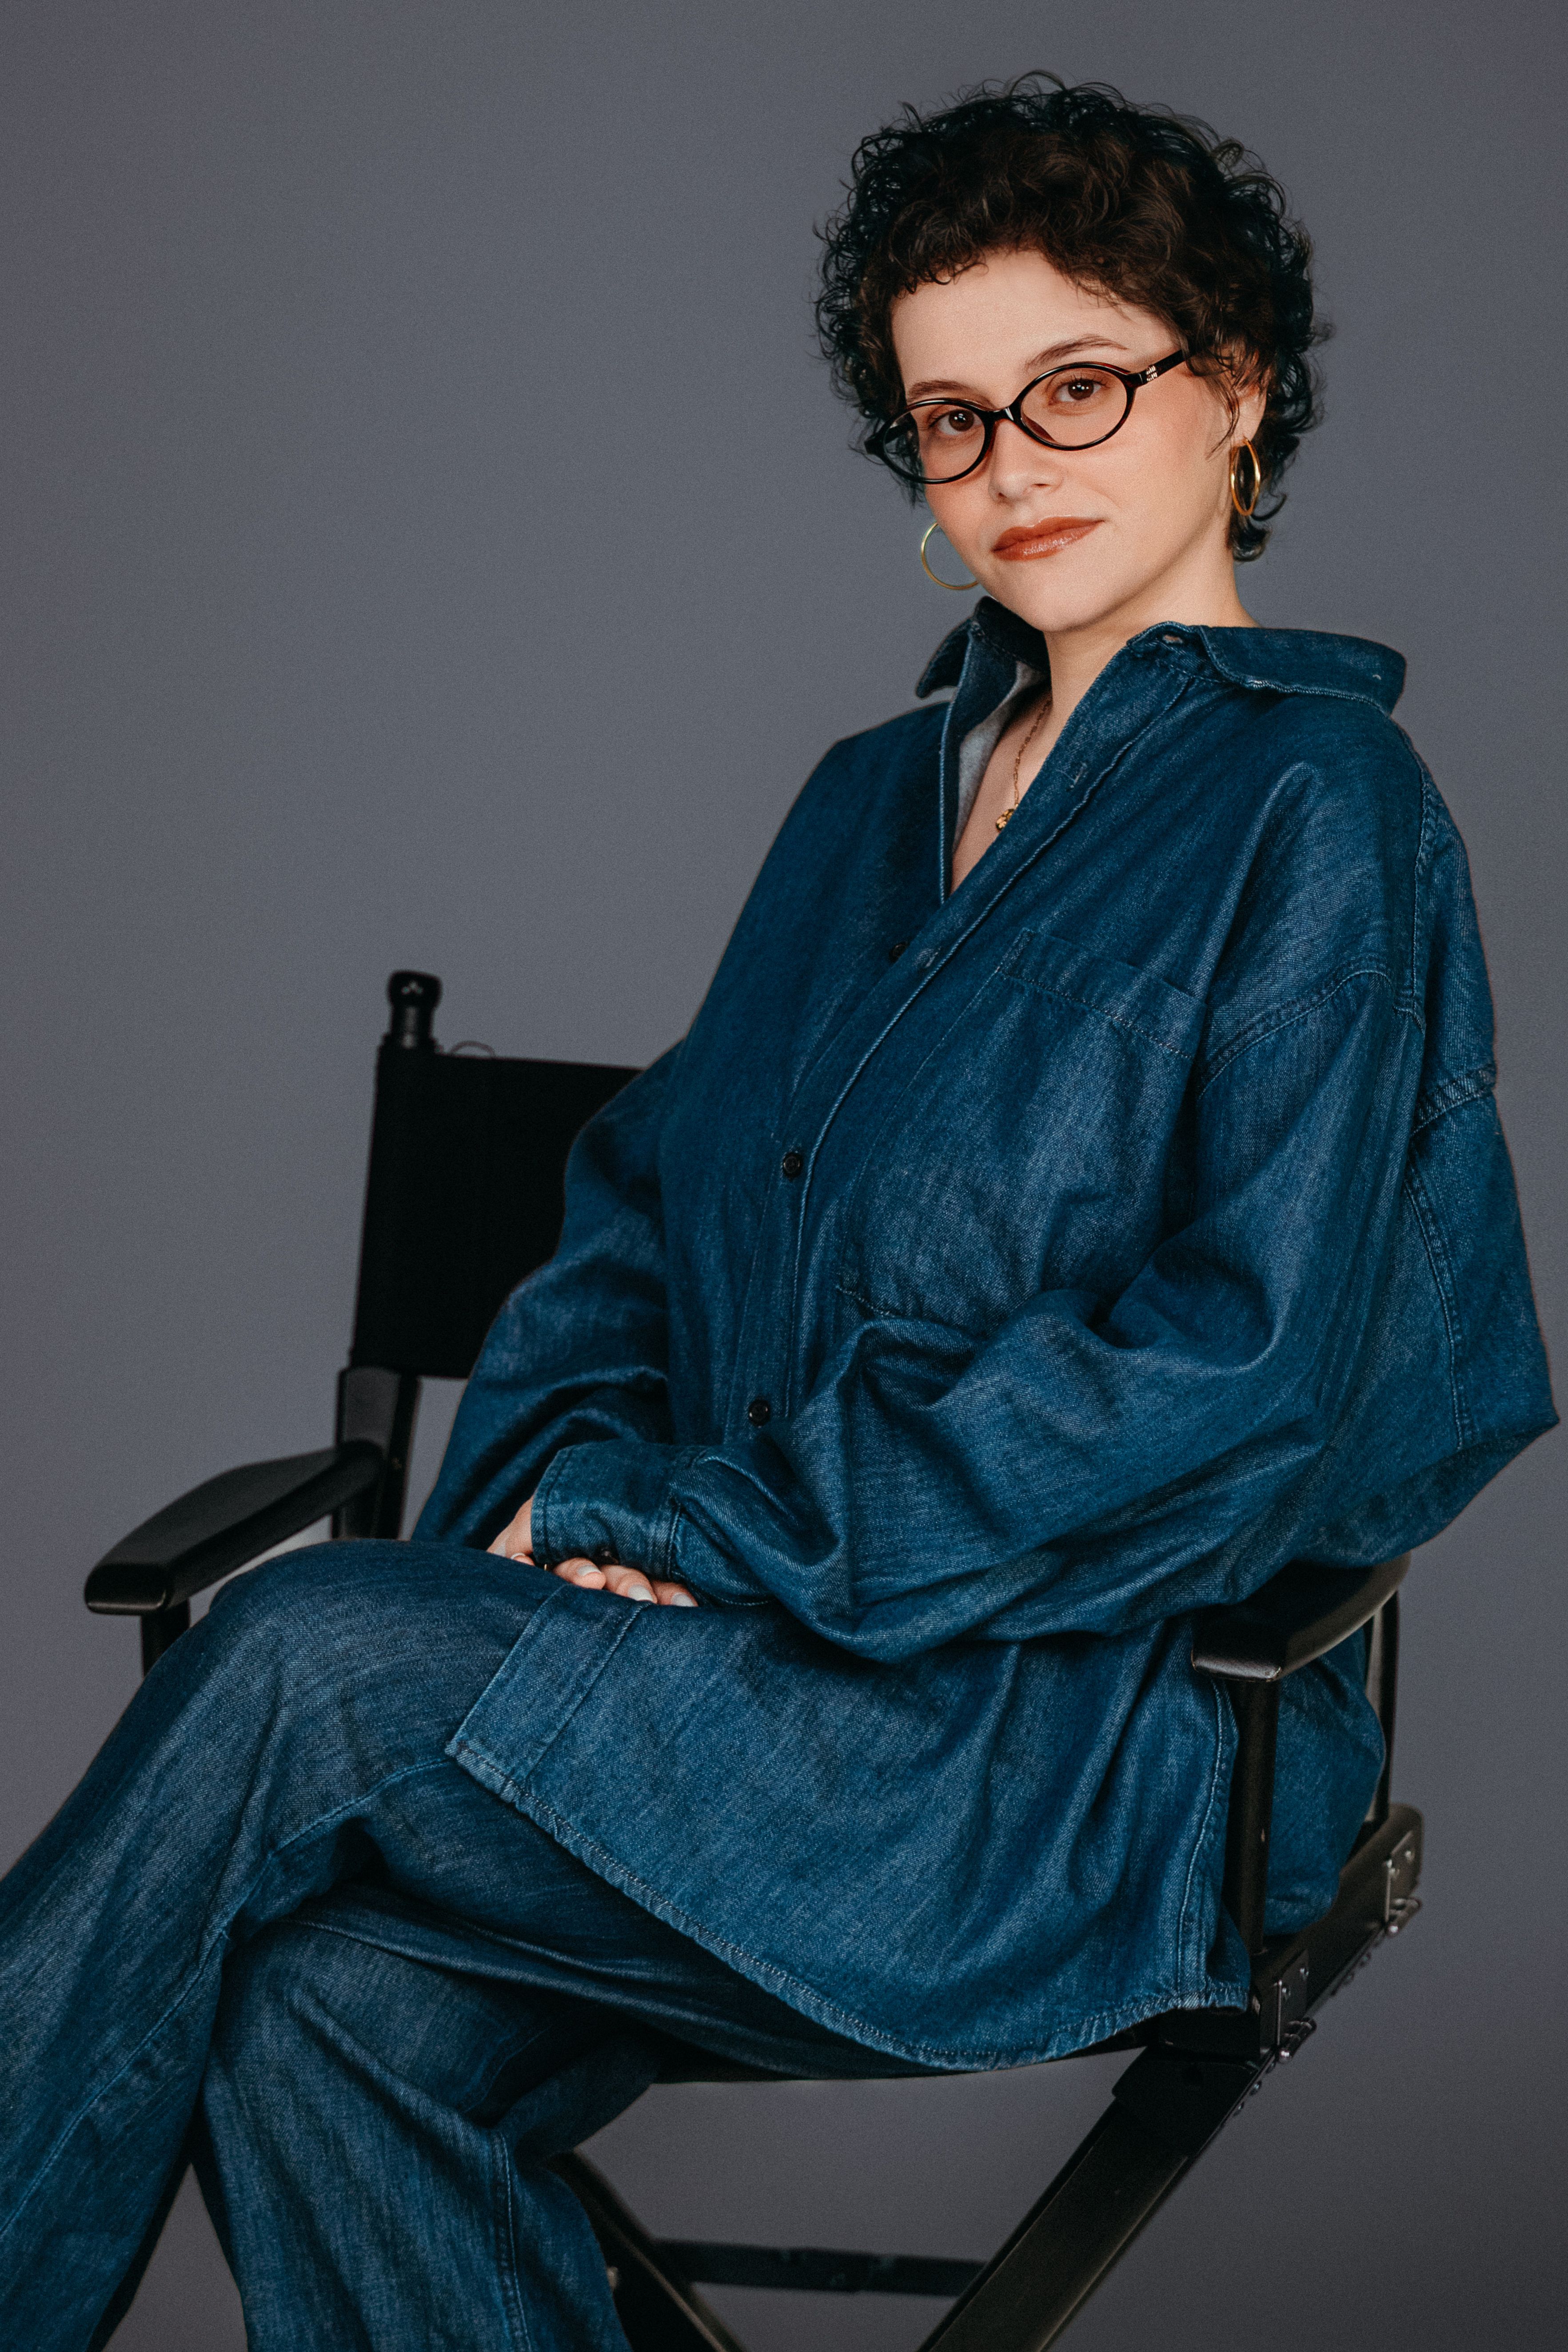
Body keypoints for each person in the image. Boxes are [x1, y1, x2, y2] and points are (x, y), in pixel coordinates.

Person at [0, 76, 1553, 2352]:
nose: (1012, 464)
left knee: (305, 1652)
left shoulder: (1323, 807)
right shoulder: (860, 804)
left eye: (1077, 387)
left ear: (1232, 390)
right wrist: (574, 1523)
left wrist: (707, 1523)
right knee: (321, 2013)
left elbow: (1232, 1385)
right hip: (747, 1686)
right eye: (951, 421)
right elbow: (638, 1221)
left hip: (1072, 1743)